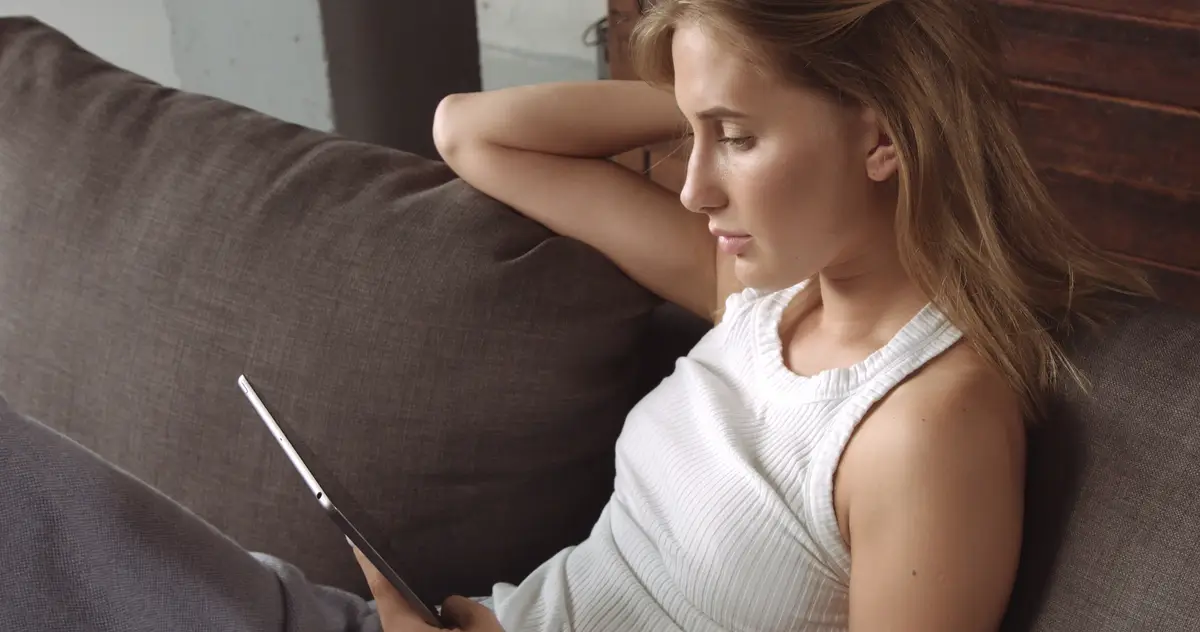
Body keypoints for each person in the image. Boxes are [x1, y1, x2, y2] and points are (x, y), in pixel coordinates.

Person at [1, 1, 1150, 631]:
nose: (692, 191)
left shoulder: (923, 423)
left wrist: (753, 83)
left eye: (735, 141)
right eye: (693, 137)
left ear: (886, 135)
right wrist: (717, 86)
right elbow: (469, 133)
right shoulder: (759, 295)